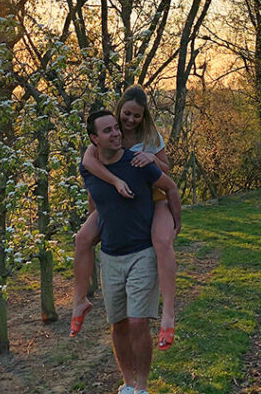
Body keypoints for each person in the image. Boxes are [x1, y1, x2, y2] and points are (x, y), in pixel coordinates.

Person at [78, 109, 182, 394]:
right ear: (95, 139)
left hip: (141, 250)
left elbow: (169, 184)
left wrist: (177, 222)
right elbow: (93, 195)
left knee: (138, 322)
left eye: (117, 128)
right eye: (107, 130)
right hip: (110, 254)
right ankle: (126, 385)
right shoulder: (90, 166)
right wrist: (97, 224)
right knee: (118, 324)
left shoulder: (140, 159)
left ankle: (142, 390)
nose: (118, 131)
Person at [70, 85, 180, 350]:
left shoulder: (150, 136)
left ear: (144, 117)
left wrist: (150, 157)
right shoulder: (107, 134)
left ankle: (168, 314)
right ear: (119, 112)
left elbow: (166, 172)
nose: (130, 121)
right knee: (82, 238)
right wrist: (114, 184)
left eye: (137, 116)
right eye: (127, 114)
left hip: (155, 198)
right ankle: (79, 300)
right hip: (118, 200)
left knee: (162, 242)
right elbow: (89, 165)